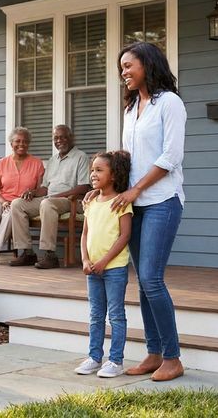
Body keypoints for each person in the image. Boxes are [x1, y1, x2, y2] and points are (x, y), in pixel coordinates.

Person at [89, 41, 186, 382]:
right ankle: (154, 352)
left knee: (151, 279)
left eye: (128, 65)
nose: (123, 73)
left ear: (148, 63)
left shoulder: (169, 103)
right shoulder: (131, 109)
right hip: (134, 204)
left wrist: (136, 189)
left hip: (161, 200)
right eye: (121, 68)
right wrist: (102, 185)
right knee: (144, 284)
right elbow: (125, 160)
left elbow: (170, 157)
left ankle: (173, 358)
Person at [75, 151, 132, 378]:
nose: (93, 174)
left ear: (114, 175)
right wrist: (86, 260)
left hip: (114, 269)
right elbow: (84, 234)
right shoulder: (90, 202)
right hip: (92, 270)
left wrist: (103, 261)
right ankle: (94, 357)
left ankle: (115, 361)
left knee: (116, 315)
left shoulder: (120, 203)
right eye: (92, 170)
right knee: (96, 315)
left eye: (99, 170)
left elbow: (124, 236)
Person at [10, 125, 90, 269]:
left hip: (71, 200)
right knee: (17, 204)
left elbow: (84, 187)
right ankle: (27, 252)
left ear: (71, 138)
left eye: (63, 137)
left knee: (47, 204)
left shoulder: (81, 157)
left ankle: (50, 255)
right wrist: (33, 192)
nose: (59, 141)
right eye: (56, 138)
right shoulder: (53, 160)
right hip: (49, 199)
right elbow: (45, 188)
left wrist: (56, 196)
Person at [0, 127, 44, 266]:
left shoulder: (36, 163)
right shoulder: (2, 163)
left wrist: (32, 193)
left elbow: (40, 189)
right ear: (11, 144)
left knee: (10, 214)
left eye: (25, 141)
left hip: (21, 203)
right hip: (1, 199)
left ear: (28, 144)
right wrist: (3, 201)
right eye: (17, 141)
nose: (21, 144)